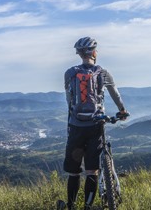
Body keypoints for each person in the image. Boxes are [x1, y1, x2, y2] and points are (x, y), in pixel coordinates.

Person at [61, 36, 129, 210]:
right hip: (96, 126)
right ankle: (88, 206)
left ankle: (70, 206)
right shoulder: (103, 73)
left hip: (76, 127)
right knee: (92, 170)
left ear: (79, 54)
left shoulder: (70, 73)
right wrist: (122, 110)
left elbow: (69, 99)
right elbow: (116, 95)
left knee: (74, 171)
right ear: (94, 52)